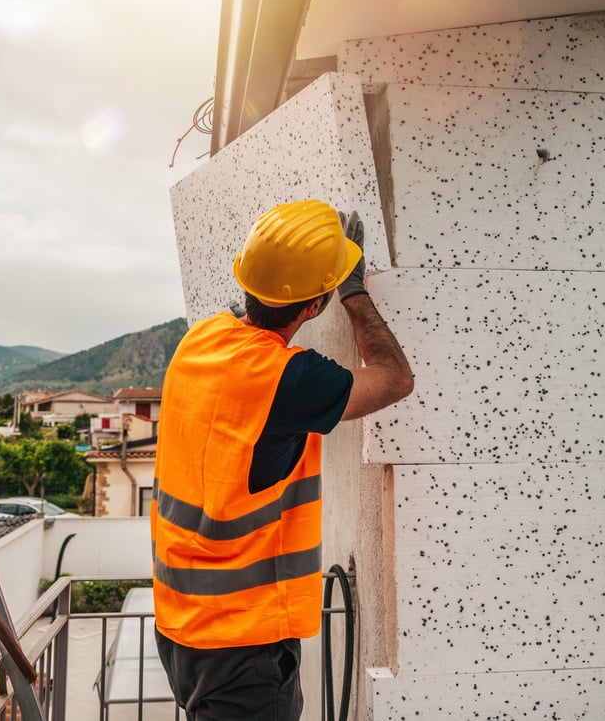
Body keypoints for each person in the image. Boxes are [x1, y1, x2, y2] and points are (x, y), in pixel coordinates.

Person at [150, 199, 414, 720]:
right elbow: (394, 378)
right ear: (314, 307)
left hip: (181, 628)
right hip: (242, 646)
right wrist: (354, 289)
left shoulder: (199, 341)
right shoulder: (289, 380)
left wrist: (305, 262)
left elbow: (251, 310)